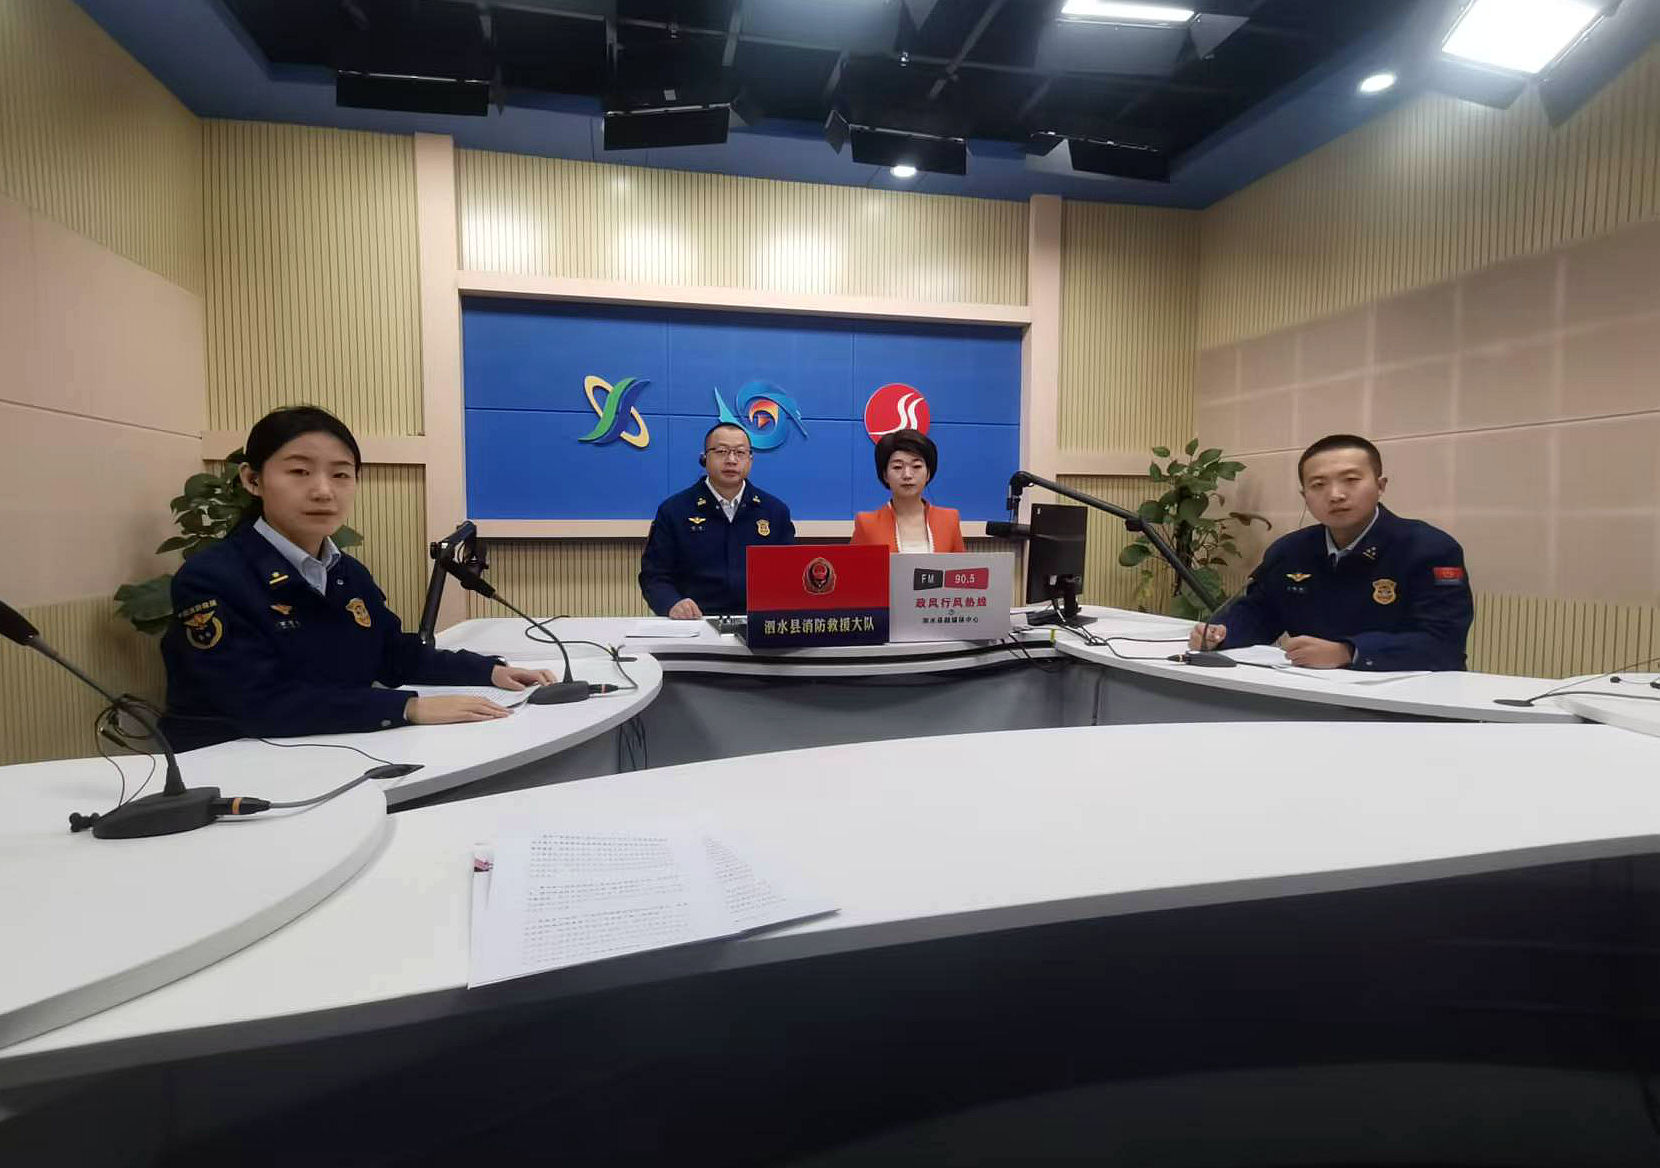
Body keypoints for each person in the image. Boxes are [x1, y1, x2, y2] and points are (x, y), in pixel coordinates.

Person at [162, 406, 553, 749]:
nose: (323, 491)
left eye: (341, 475)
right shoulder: (212, 578)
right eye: (299, 471)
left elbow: (392, 654)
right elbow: (257, 702)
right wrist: (408, 707)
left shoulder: (346, 572)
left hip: (331, 748)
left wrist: (488, 671)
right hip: (234, 766)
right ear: (252, 480)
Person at [1188, 433, 1473, 671]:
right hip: (1309, 693)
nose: (1335, 494)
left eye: (1351, 480)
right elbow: (1260, 613)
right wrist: (1222, 633)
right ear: (1305, 496)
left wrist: (1349, 652)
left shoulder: (1429, 548)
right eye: (1319, 485)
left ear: (1380, 485)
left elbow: (1443, 643)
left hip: (1405, 699)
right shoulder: (1289, 550)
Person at [638, 423, 796, 619]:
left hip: (757, 623)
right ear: (704, 458)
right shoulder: (674, 511)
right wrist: (671, 603)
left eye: (740, 453)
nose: (731, 460)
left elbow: (789, 575)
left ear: (750, 460)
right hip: (694, 623)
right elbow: (654, 575)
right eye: (721, 451)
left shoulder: (775, 512)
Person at [850, 429, 966, 553]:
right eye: (897, 467)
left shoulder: (949, 520)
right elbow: (853, 564)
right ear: (885, 475)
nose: (907, 475)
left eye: (916, 466)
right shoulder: (867, 524)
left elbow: (960, 565)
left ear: (928, 473)